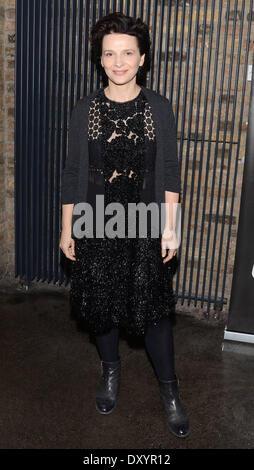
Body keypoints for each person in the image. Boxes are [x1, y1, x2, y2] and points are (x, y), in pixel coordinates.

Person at [60, 12, 189, 439]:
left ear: (142, 58)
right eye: (110, 54)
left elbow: (169, 171)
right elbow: (73, 173)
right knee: (103, 307)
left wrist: (170, 227)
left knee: (154, 314)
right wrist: (68, 227)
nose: (119, 62)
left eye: (127, 53)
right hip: (96, 221)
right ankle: (110, 372)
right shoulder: (85, 109)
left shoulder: (159, 108)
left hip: (146, 221)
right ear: (100, 60)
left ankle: (169, 391)